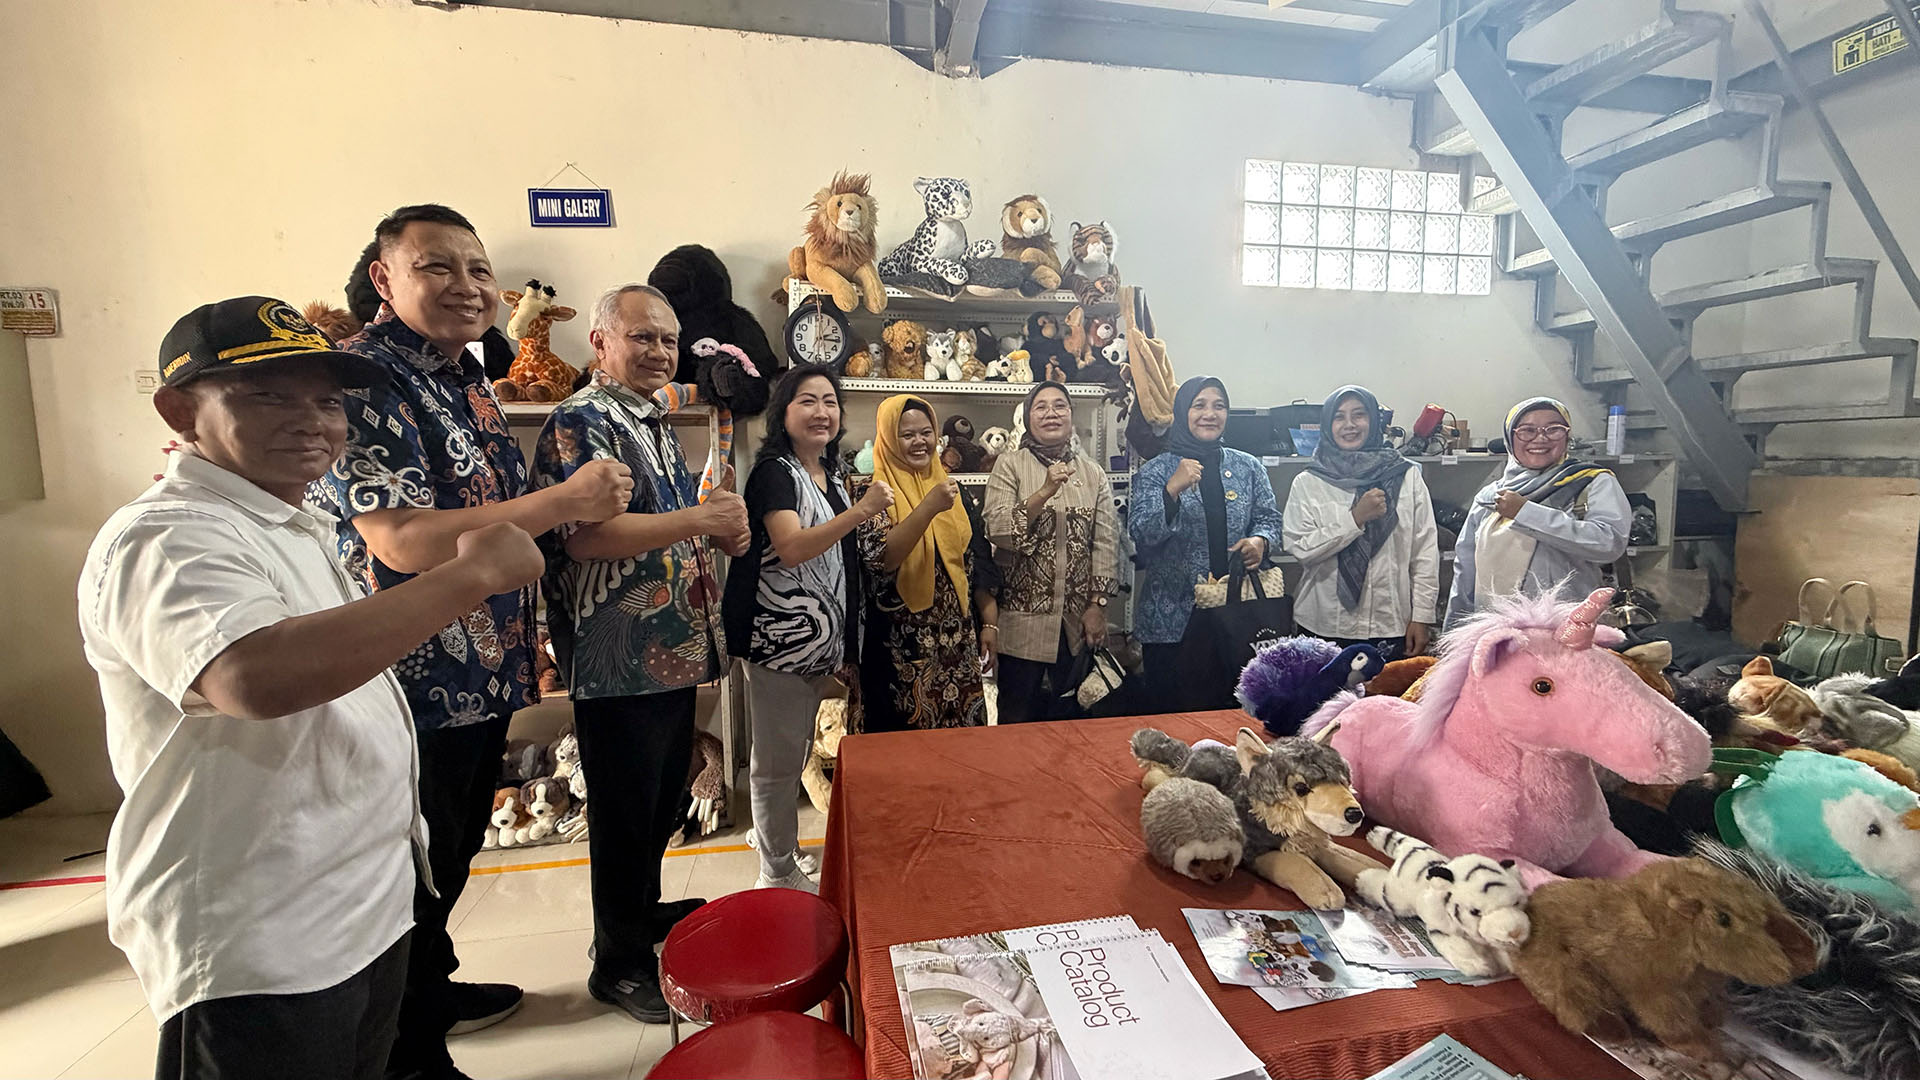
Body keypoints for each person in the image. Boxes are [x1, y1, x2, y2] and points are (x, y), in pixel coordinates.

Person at [78, 296, 544, 1080]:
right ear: (181, 411)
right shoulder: (166, 535)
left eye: (328, 402)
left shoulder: (289, 524)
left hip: (356, 912)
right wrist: (471, 576)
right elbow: (250, 676)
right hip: (260, 936)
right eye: (268, 396)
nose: (311, 421)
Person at [309, 204, 633, 1080]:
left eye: (479, 270)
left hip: (482, 669)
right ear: (384, 279)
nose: (467, 286)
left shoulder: (468, 378)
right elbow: (402, 541)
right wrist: (564, 503)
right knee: (407, 871)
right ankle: (408, 1052)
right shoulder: (367, 378)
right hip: (411, 677)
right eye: (438, 267)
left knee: (446, 856)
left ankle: (432, 990)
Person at [531, 283, 750, 1024]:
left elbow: (664, 526)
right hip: (617, 657)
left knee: (659, 800)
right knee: (625, 812)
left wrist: (713, 530)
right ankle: (618, 963)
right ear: (600, 341)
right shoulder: (581, 420)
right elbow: (586, 538)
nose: (660, 351)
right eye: (642, 336)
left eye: (669, 339)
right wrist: (699, 519)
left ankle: (640, 909)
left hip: (669, 650)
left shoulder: (650, 419)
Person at [722, 365, 891, 891]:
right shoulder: (775, 472)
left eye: (830, 402)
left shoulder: (828, 472)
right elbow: (793, 548)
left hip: (818, 646)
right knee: (776, 763)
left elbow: (840, 563)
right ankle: (775, 874)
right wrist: (862, 511)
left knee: (793, 752)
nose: (822, 412)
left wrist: (845, 645)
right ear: (783, 412)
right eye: (807, 401)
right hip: (779, 643)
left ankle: (782, 845)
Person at [1129, 376, 1282, 713]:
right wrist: (1171, 490)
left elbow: (1270, 520)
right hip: (1174, 623)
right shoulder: (1156, 471)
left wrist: (1261, 540)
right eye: (1199, 405)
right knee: (1173, 722)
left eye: (1219, 406)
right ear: (1182, 411)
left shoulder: (1248, 467)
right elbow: (1141, 534)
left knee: (1233, 717)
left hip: (1236, 619)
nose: (1209, 414)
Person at [857, 395, 1002, 731]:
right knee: (903, 748)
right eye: (907, 435)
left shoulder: (953, 490)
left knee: (960, 748)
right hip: (900, 650)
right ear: (888, 438)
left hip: (957, 644)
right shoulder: (871, 492)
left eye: (926, 433)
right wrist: (928, 508)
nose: (919, 442)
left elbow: (976, 560)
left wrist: (989, 624)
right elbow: (881, 559)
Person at [983, 382, 1121, 723]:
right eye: (1040, 406)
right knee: (1018, 726)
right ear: (1027, 418)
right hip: (1021, 630)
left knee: (1072, 725)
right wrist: (1044, 491)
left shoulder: (1092, 473)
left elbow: (1105, 542)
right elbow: (998, 529)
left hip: (1075, 627)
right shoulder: (1009, 465)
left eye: (1060, 405)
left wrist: (1098, 605)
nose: (1051, 413)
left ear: (1071, 415)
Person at [1283, 385, 1440, 660]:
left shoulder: (1406, 476)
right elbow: (1301, 548)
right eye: (1339, 417)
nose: (1349, 425)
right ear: (1327, 425)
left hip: (1389, 622)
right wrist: (1355, 519)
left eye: (1359, 415)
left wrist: (1423, 616)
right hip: (1323, 622)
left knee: (1387, 690)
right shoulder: (1308, 482)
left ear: (1374, 421)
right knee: (1322, 690)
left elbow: (1424, 551)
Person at [1445, 396, 1631, 628]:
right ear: (1510, 438)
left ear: (1567, 436)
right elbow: (1466, 572)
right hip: (1497, 633)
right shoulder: (1490, 497)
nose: (1540, 438)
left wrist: (1526, 513)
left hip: (1568, 631)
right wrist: (1453, 634)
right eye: (1527, 430)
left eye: (1553, 429)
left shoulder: (1590, 482)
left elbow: (1609, 543)